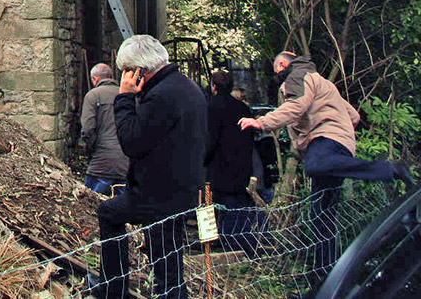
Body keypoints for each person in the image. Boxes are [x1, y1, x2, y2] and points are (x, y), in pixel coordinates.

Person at [238, 52, 413, 282]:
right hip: (340, 145)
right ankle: (324, 281)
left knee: (315, 165)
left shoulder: (297, 75)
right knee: (322, 217)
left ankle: (389, 170)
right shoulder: (321, 81)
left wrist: (262, 122)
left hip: (325, 141)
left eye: (276, 70)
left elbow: (296, 106)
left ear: (281, 64)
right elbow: (353, 116)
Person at [91, 35, 208, 299]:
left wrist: (124, 98)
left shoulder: (161, 96)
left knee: (164, 264)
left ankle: (113, 290)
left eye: (126, 72)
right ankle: (115, 288)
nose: (125, 77)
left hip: (159, 193)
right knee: (168, 259)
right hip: (182, 187)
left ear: (138, 71)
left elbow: (131, 142)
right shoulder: (188, 87)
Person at [205, 69, 258, 254]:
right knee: (235, 207)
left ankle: (214, 244)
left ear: (213, 87)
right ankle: (235, 242)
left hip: (216, 168)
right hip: (240, 166)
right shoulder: (242, 108)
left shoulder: (210, 107)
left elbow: (208, 140)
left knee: (210, 206)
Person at [81, 63, 129, 195]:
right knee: (124, 207)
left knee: (89, 203)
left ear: (95, 79)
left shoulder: (93, 96)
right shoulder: (127, 95)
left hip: (100, 164)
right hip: (126, 163)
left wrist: (91, 151)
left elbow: (87, 130)